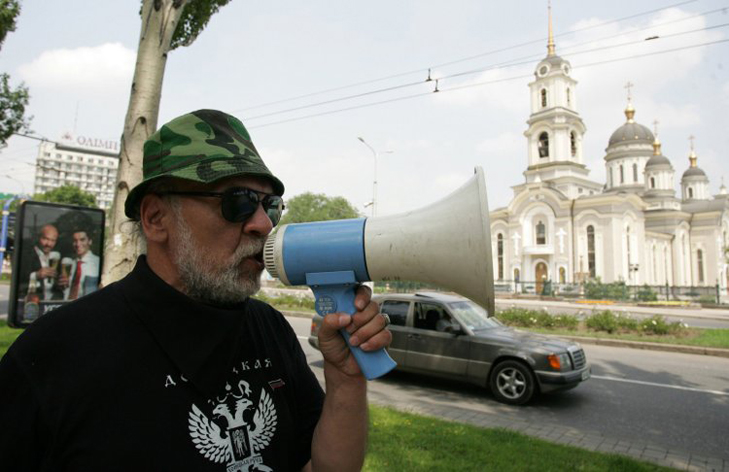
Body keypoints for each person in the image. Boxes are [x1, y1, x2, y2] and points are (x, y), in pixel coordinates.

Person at [0, 109, 391, 471]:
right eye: (238, 202)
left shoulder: (269, 329)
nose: (262, 225)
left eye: (270, 205)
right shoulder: (56, 354)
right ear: (155, 219)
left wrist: (345, 382)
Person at [18, 223, 63, 301]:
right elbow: (19, 282)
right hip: (33, 303)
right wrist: (36, 275)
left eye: (53, 240)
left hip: (52, 304)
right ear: (38, 237)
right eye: (45, 239)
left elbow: (56, 286)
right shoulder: (26, 255)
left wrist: (62, 284)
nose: (49, 244)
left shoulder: (56, 258)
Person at [57, 229, 100, 300]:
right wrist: (61, 287)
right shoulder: (69, 264)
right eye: (75, 241)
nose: (78, 244)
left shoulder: (97, 262)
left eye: (82, 240)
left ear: (90, 241)